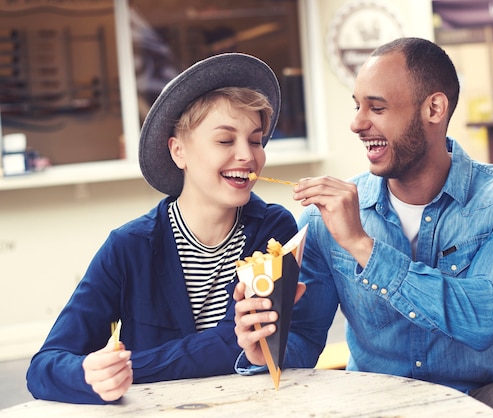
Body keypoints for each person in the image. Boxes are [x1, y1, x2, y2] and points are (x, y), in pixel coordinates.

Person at [233, 38, 493, 417]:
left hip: (474, 399)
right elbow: (304, 341)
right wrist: (266, 349)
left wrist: (363, 246)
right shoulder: (323, 220)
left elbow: (485, 319)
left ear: (434, 108)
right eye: (357, 106)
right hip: (373, 405)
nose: (357, 123)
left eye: (377, 107)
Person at [26, 53, 298, 404]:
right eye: (226, 141)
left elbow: (239, 341)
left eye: (256, 140)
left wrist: (133, 367)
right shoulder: (129, 247)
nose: (248, 155)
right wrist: (91, 374)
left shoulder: (274, 230)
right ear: (179, 151)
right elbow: (43, 367)